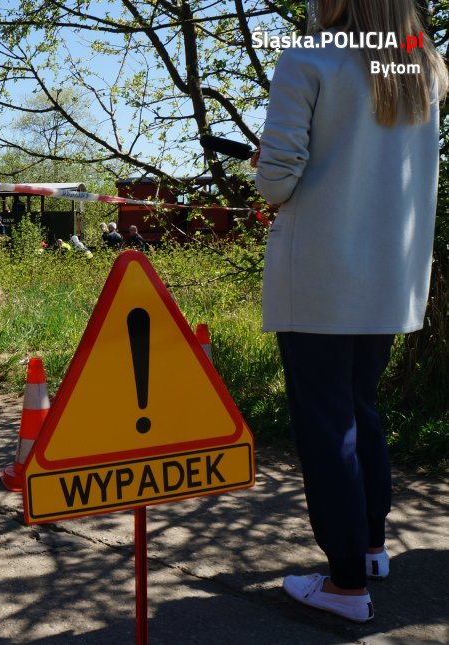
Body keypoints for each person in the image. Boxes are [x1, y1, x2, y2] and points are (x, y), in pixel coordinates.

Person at [252, 0, 447, 623]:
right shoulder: (422, 68)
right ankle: (369, 551)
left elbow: (277, 179)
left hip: (320, 275)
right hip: (391, 277)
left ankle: (342, 587)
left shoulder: (309, 58)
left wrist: (265, 176)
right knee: (362, 409)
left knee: (326, 423)